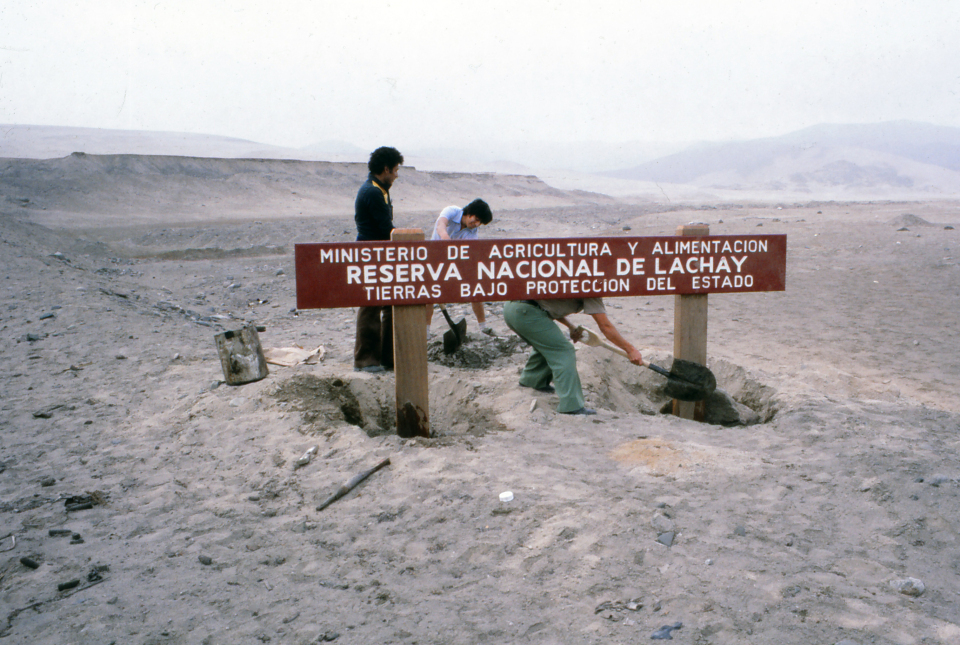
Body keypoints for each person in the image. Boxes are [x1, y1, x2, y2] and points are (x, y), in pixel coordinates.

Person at [503, 297, 643, 415]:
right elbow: (605, 326)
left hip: (513, 308)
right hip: (526, 312)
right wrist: (630, 349)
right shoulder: (592, 287)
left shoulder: (576, 278)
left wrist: (571, 327)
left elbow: (549, 305)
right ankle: (571, 406)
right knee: (564, 350)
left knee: (549, 343)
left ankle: (533, 380)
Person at [353, 146, 404, 373]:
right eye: (395, 170)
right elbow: (386, 229)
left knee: (389, 304)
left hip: (381, 254)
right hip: (370, 254)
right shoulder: (373, 191)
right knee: (370, 306)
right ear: (385, 169)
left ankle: (387, 357)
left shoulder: (380, 189)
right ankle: (365, 360)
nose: (396, 175)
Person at [428, 199, 493, 332]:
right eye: (476, 219)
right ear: (469, 212)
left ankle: (483, 327)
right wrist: (446, 239)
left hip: (453, 262)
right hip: (434, 257)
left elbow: (467, 254)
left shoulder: (472, 233)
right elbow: (440, 225)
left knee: (475, 287)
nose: (476, 224)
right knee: (429, 294)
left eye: (480, 223)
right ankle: (426, 330)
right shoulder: (452, 211)